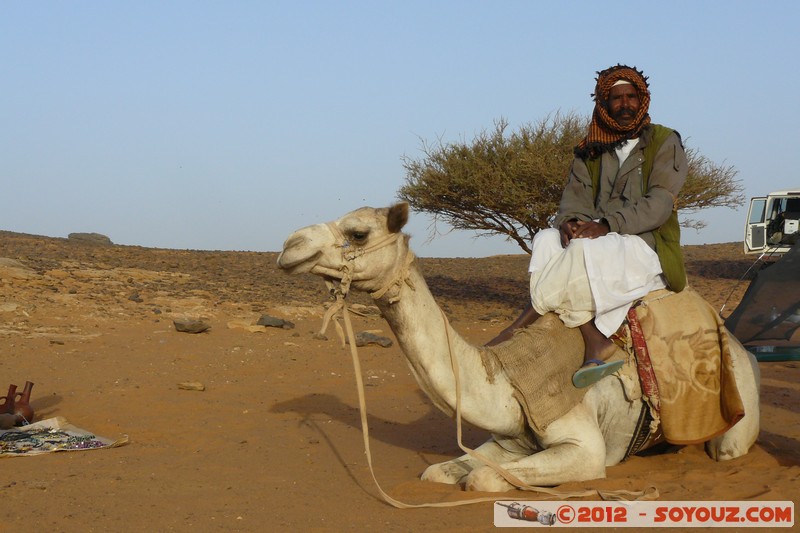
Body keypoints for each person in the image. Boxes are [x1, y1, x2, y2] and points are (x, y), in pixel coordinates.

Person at [487, 64, 688, 388]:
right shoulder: (590, 149)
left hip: (643, 239)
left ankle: (520, 325)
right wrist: (569, 223)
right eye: (616, 98)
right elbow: (574, 198)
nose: (625, 104)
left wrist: (608, 225)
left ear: (643, 100)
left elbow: (660, 204)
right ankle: (594, 337)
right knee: (547, 240)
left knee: (583, 246)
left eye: (631, 97)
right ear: (604, 104)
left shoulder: (664, 141)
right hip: (598, 236)